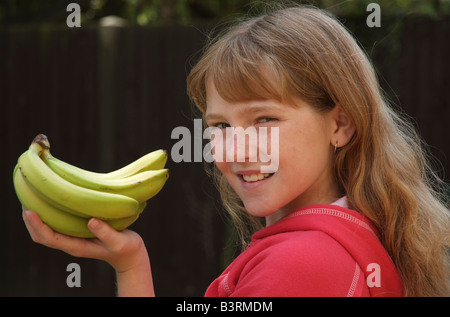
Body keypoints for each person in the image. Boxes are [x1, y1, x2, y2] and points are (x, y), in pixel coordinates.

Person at [22, 5, 449, 297]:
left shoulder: (298, 264)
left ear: (339, 124)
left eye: (265, 119)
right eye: (221, 126)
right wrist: (131, 263)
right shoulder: (355, 234)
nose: (239, 148)